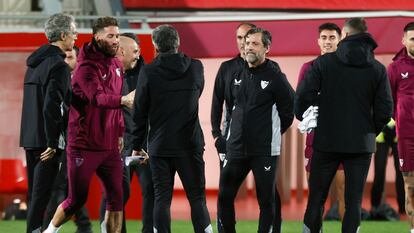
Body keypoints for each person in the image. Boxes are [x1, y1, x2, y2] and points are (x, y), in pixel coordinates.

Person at [295, 18, 393, 233]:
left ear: (345, 36)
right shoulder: (378, 69)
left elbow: (302, 98)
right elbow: (386, 110)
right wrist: (368, 131)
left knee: (316, 200)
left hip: (326, 142)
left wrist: (309, 119)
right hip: (361, 146)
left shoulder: (322, 63)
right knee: (353, 203)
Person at [43, 16, 135, 233]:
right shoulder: (85, 67)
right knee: (76, 199)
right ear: (97, 37)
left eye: (117, 35)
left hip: (110, 146)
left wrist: (120, 132)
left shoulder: (115, 64)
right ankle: (49, 231)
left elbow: (115, 99)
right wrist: (124, 100)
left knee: (116, 199)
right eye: (110, 36)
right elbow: (98, 98)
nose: (115, 40)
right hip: (84, 145)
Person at [131, 24, 212, 233]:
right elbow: (197, 92)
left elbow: (139, 111)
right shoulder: (196, 67)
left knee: (162, 198)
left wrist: (136, 145)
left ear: (155, 45)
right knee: (197, 198)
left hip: (160, 145)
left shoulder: (148, 71)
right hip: (190, 143)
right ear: (177, 43)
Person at [217, 27, 295, 233]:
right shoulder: (235, 73)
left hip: (264, 150)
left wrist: (271, 132)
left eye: (254, 43)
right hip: (236, 148)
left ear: (267, 48)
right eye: (247, 42)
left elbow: (289, 112)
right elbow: (231, 109)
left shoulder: (276, 76)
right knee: (224, 195)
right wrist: (226, 136)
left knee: (266, 199)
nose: (248, 47)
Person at [19, 13, 77, 233]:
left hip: (30, 138)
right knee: (42, 197)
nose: (76, 37)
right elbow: (52, 107)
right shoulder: (59, 66)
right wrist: (53, 143)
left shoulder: (33, 65)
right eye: (73, 32)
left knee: (35, 194)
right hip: (47, 142)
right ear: (62, 35)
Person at [100, 32, 154, 233]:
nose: (138, 55)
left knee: (151, 190)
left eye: (138, 50)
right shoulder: (105, 75)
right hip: (117, 144)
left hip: (144, 144)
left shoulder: (148, 75)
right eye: (135, 50)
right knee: (115, 193)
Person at [297, 22, 345, 220]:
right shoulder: (308, 68)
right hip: (315, 139)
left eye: (332, 38)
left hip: (344, 138)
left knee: (345, 192)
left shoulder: (348, 68)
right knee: (315, 195)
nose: (327, 42)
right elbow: (299, 102)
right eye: (324, 38)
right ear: (318, 41)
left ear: (339, 40)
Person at [43, 46, 93, 233]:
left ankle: (48, 228)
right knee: (69, 188)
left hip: (78, 143)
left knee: (60, 187)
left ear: (79, 60)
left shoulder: (84, 84)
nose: (65, 61)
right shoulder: (61, 81)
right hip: (65, 142)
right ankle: (84, 226)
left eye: (70, 57)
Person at [388, 21, 414, 233]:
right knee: (410, 186)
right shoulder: (395, 68)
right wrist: (400, 119)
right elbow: (388, 102)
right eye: (413, 38)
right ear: (404, 40)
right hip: (406, 136)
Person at [370, 118, 405, 219]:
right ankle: (375, 206)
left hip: (399, 134)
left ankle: (403, 208)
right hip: (381, 135)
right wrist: (385, 127)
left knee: (401, 173)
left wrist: (396, 127)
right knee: (379, 172)